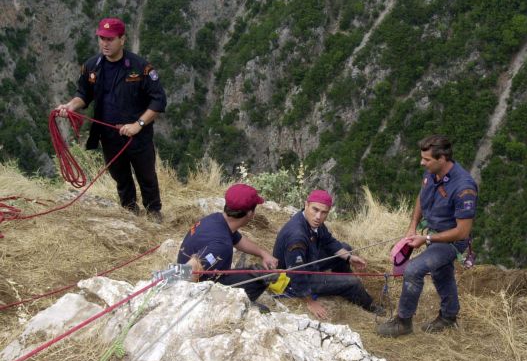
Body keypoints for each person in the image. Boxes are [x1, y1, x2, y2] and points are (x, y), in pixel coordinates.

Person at [55, 17, 167, 221]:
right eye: (101, 38)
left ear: (122, 39)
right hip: (108, 135)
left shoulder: (140, 67)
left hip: (137, 135)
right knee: (120, 177)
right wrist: (70, 106)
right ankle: (130, 212)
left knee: (146, 176)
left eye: (110, 39)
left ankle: (153, 213)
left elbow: (158, 101)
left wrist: (138, 124)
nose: (105, 43)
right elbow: (84, 94)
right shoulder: (92, 66)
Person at [376, 135, 478, 337]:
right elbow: (422, 198)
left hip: (451, 242)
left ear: (443, 158)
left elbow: (463, 231)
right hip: (433, 234)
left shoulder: (464, 187)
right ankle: (449, 316)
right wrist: (412, 226)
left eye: (427, 159)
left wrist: (428, 239)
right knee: (442, 273)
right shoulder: (432, 173)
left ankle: (403, 322)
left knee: (414, 270)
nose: (422, 162)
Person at [273, 189, 382, 320]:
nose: (318, 216)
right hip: (293, 280)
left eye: (324, 212)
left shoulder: (311, 221)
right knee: (353, 282)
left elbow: (329, 241)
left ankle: (345, 287)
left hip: (309, 262)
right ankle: (369, 305)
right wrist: (310, 301)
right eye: (315, 209)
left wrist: (349, 257)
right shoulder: (297, 235)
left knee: (345, 248)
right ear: (306, 205)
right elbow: (296, 273)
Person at [177, 184, 279, 304]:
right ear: (250, 213)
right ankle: (238, 305)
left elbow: (238, 239)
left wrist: (263, 254)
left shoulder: (217, 219)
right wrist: (163, 279)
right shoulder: (221, 245)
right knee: (261, 279)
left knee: (256, 273)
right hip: (198, 288)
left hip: (202, 272)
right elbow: (188, 272)